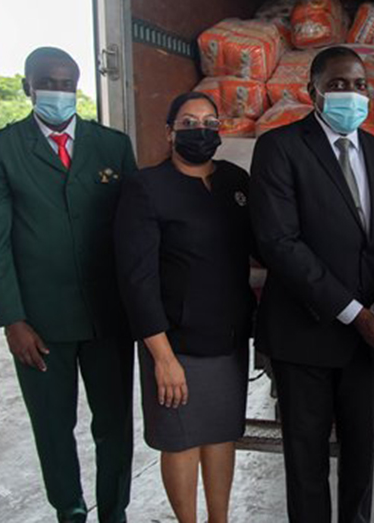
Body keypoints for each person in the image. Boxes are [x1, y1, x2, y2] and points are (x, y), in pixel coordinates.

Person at [0, 47, 137, 523]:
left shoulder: (112, 146)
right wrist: (11, 319)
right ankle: (69, 509)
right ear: (27, 87)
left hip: (108, 319)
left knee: (114, 425)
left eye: (67, 83)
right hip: (39, 324)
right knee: (52, 425)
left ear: (78, 85)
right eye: (48, 82)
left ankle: (114, 511)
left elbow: (132, 230)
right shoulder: (0, 149)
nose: (57, 92)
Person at [249, 46, 374, 523]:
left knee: (361, 458)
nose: (351, 94)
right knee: (306, 461)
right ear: (310, 91)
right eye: (338, 85)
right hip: (305, 332)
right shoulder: (280, 147)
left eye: (359, 85)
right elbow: (279, 242)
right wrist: (354, 312)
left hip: (364, 341)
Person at [114, 92, 255, 523]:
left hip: (228, 340)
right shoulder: (146, 187)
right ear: (169, 131)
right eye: (189, 122)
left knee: (221, 435)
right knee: (182, 440)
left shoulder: (234, 182)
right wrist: (162, 357)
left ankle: (219, 519)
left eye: (210, 122)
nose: (201, 130)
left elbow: (262, 246)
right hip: (175, 343)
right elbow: (137, 279)